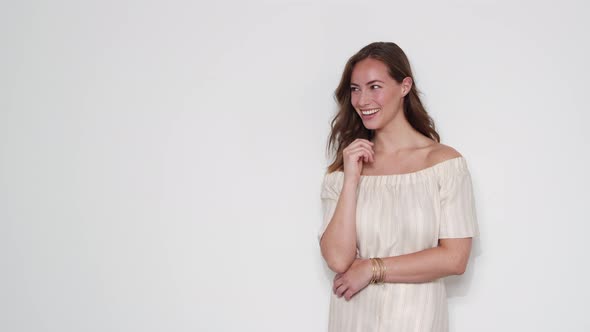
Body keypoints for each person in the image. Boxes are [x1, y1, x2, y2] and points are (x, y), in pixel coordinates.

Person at [318, 42, 480, 332]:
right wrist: (352, 179)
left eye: (374, 86)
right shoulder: (343, 173)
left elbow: (455, 259)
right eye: (355, 89)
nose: (362, 99)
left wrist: (372, 268)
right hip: (353, 321)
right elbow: (338, 258)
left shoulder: (444, 165)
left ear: (404, 86)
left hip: (417, 322)